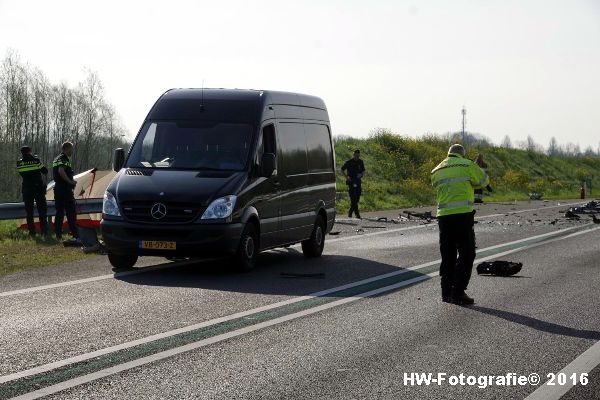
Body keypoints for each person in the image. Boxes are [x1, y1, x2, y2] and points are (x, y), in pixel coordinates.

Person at [431, 144, 489, 305]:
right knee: (467, 253)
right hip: (462, 216)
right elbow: (484, 181)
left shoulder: (437, 169)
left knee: (447, 255)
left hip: (443, 218)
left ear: (449, 154)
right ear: (462, 155)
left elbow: (437, 185)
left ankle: (446, 293)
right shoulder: (467, 165)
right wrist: (476, 170)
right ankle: (458, 292)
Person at [52, 142, 81, 244]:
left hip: (58, 189)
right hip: (64, 189)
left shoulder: (56, 159)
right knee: (71, 212)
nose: (72, 151)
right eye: (71, 149)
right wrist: (70, 181)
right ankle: (75, 235)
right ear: (66, 148)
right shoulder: (63, 159)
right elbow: (61, 171)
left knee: (59, 212)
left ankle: (58, 234)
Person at [16, 146, 49, 236]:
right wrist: (39, 161)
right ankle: (44, 231)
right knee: (42, 210)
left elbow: (22, 173)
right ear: (30, 151)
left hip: (27, 189)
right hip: (38, 189)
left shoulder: (19, 163)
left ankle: (32, 231)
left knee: (29, 211)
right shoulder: (36, 160)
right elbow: (45, 171)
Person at [341, 149, 365, 219]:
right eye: (355, 155)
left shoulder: (361, 162)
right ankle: (357, 214)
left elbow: (363, 171)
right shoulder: (349, 162)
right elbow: (342, 169)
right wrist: (346, 177)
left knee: (357, 198)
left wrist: (360, 175)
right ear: (353, 155)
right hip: (351, 182)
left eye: (358, 156)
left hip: (358, 181)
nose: (356, 157)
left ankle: (350, 211)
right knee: (353, 198)